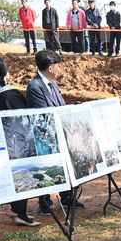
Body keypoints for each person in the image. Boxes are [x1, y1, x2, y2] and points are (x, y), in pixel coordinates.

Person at [0, 56, 40, 227]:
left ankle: (15, 209)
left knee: (13, 176)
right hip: (18, 140)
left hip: (3, 138)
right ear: (5, 72)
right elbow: (26, 116)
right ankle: (21, 214)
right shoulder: (10, 93)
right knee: (23, 175)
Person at [26, 50, 82, 213]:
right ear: (50, 68)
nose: (59, 69)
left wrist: (71, 109)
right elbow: (44, 113)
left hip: (59, 133)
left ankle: (67, 197)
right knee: (46, 168)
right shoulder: (34, 87)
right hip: (45, 137)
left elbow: (61, 106)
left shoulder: (53, 84)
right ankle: (45, 203)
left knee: (65, 165)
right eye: (57, 66)